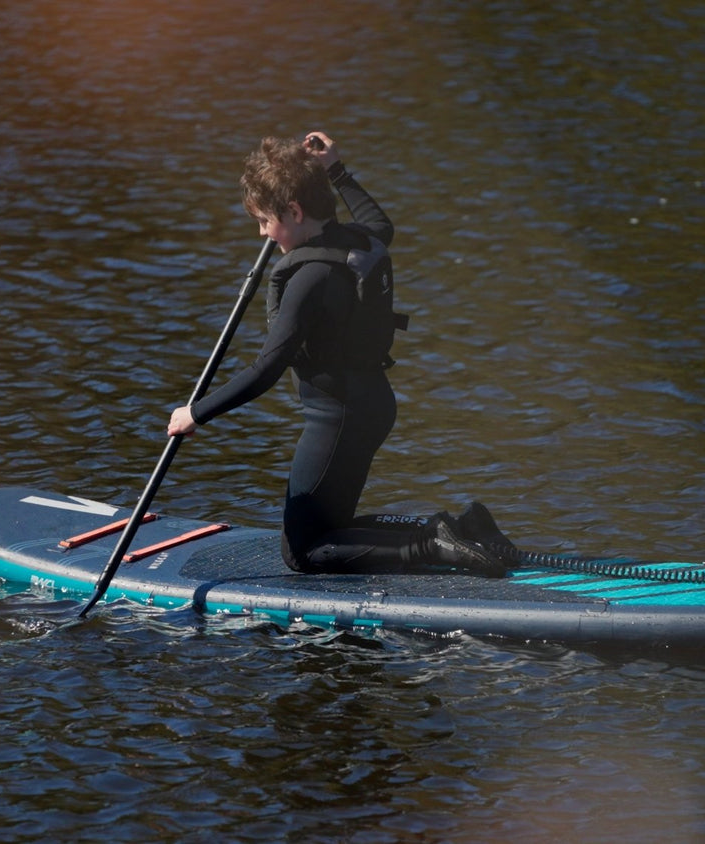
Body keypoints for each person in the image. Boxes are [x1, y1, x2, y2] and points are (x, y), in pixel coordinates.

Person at [167, 132, 517, 578]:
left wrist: (196, 413)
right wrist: (337, 170)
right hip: (371, 405)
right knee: (331, 529)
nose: (262, 233)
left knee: (303, 551)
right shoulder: (358, 240)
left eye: (265, 221)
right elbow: (380, 223)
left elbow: (267, 368)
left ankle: (430, 544)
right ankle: (465, 527)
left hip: (337, 420)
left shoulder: (309, 278)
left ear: (294, 211)